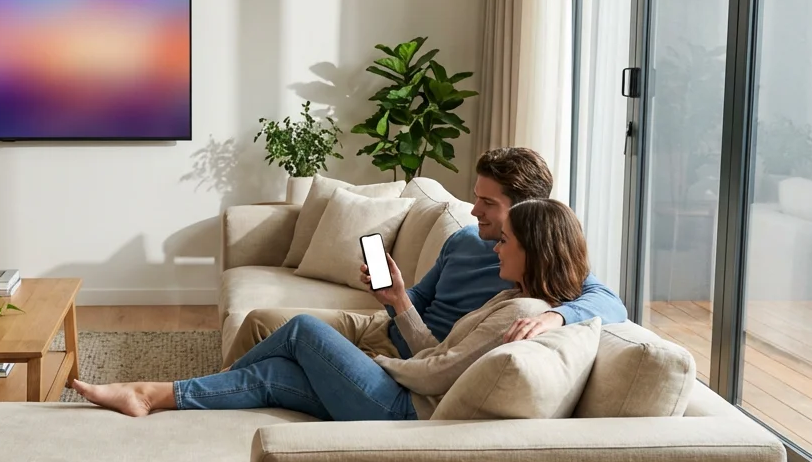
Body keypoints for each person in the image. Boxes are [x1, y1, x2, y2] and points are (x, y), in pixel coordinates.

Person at [72, 197, 590, 420]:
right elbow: (439, 353)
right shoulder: (512, 298)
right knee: (271, 375)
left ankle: (167, 389)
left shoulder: (521, 308)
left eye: (509, 240)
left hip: (403, 410)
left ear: (537, 250)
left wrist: (379, 363)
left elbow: (433, 377)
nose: (497, 245)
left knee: (301, 330)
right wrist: (399, 302)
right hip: (405, 397)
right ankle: (151, 396)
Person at [220, 147, 626, 367]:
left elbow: (610, 303)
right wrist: (394, 294)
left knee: (292, 348)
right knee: (259, 320)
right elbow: (419, 298)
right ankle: (225, 393)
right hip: (379, 325)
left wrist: (555, 315)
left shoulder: (539, 262)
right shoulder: (465, 240)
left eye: (487, 202)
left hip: (412, 354)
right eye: (475, 197)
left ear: (526, 208)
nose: (473, 210)